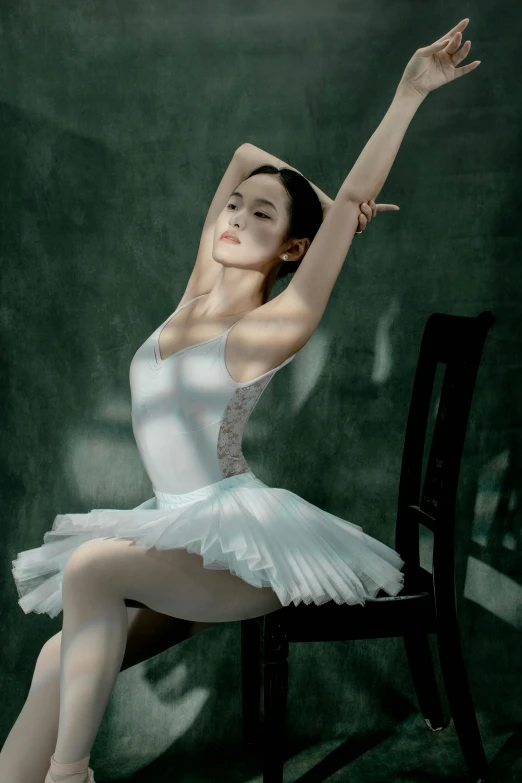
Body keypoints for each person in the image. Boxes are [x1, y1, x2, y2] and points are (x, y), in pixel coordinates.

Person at [1, 17, 479, 783]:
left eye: (261, 216)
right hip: (173, 542)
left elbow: (351, 194)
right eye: (234, 208)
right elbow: (247, 157)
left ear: (290, 250)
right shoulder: (197, 289)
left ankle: (69, 774)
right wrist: (307, 200)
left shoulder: (272, 326)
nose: (235, 217)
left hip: (240, 556)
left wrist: (406, 96)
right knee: (60, 653)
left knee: (91, 568)